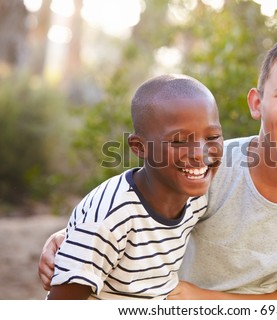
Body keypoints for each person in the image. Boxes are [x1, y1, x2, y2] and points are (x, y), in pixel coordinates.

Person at [39, 32, 277, 300]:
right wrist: (73, 236)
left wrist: (195, 298)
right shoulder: (210, 164)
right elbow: (135, 206)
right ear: (257, 103)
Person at [45, 74, 223, 299]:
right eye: (178, 141)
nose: (200, 154)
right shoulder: (110, 220)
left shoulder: (196, 196)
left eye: (213, 136)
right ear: (140, 147)